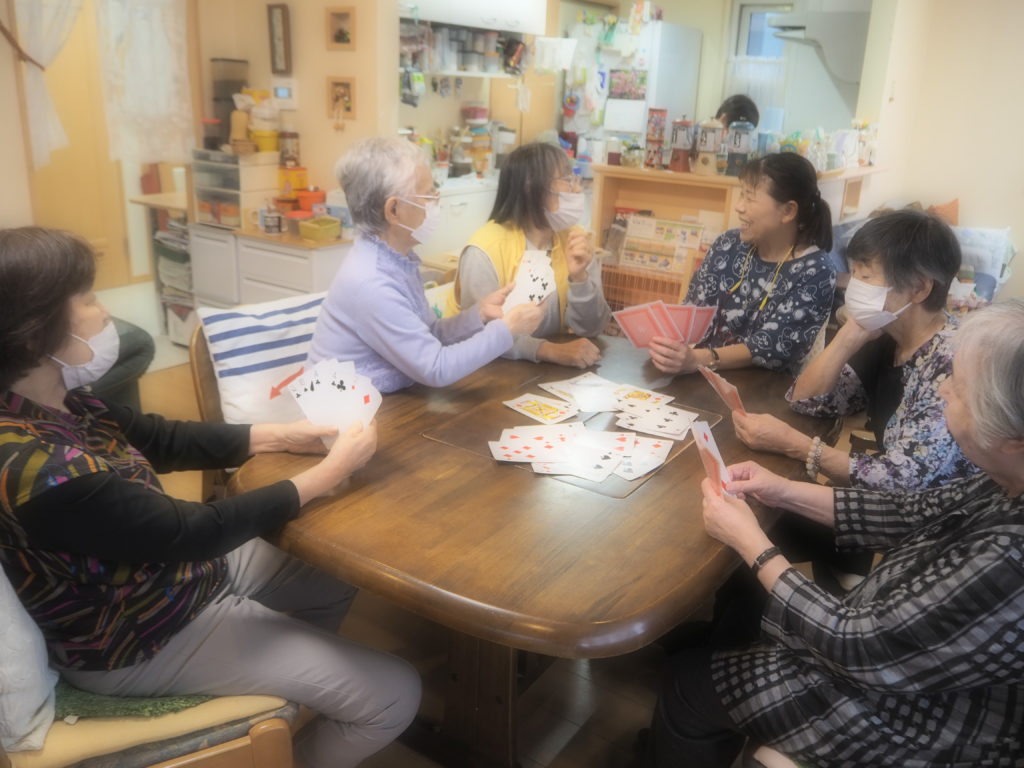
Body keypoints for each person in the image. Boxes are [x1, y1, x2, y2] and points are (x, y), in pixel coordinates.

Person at [0, 227, 421, 768]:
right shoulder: (38, 471)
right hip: (136, 639)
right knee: (396, 695)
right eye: (85, 298)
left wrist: (280, 435)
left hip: (170, 582)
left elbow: (162, 437)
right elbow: (191, 532)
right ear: (32, 332)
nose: (103, 312)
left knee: (336, 567)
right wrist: (329, 471)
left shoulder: (59, 401)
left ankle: (292, 685)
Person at [646, 299, 1024, 768]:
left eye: (960, 390)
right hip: (893, 650)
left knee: (687, 684)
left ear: (1012, 439)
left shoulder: (1010, 556)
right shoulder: (1005, 481)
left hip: (920, 718)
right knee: (755, 597)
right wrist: (780, 488)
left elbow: (858, 645)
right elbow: (908, 511)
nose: (944, 390)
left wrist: (753, 544)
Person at [733, 210, 978, 490]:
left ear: (919, 288)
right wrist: (848, 336)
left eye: (866, 275)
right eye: (854, 273)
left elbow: (901, 481)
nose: (854, 284)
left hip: (929, 514)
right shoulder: (885, 331)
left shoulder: (952, 362)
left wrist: (797, 445)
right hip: (883, 503)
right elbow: (807, 401)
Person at [307, 137, 544, 393]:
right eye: (428, 194)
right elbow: (436, 368)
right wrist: (506, 329)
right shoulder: (372, 282)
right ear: (393, 210)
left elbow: (430, 333)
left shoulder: (395, 259)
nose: (436, 201)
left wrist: (479, 315)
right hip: (344, 409)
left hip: (385, 399)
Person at [649, 153, 835, 376]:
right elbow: (693, 309)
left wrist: (699, 359)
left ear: (788, 211)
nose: (739, 207)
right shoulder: (728, 244)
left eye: (750, 198)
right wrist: (668, 345)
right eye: (741, 194)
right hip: (699, 375)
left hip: (762, 389)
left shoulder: (816, 271)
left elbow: (771, 348)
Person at [456, 142, 611, 369]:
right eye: (567, 180)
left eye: (575, 179)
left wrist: (580, 280)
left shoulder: (575, 239)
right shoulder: (484, 249)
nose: (577, 190)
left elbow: (593, 328)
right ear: (531, 187)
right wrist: (548, 350)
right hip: (492, 371)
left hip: (548, 372)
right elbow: (478, 334)